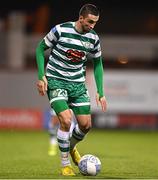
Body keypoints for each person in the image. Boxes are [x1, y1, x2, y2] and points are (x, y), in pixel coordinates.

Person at [36, 3, 107, 176]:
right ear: (81, 18)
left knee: (86, 125)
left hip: (77, 84)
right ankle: (65, 164)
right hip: (56, 81)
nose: (92, 26)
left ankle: (72, 146)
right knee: (66, 121)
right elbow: (40, 48)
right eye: (90, 21)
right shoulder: (60, 30)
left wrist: (100, 91)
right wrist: (41, 76)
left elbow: (97, 63)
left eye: (95, 23)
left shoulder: (93, 38)